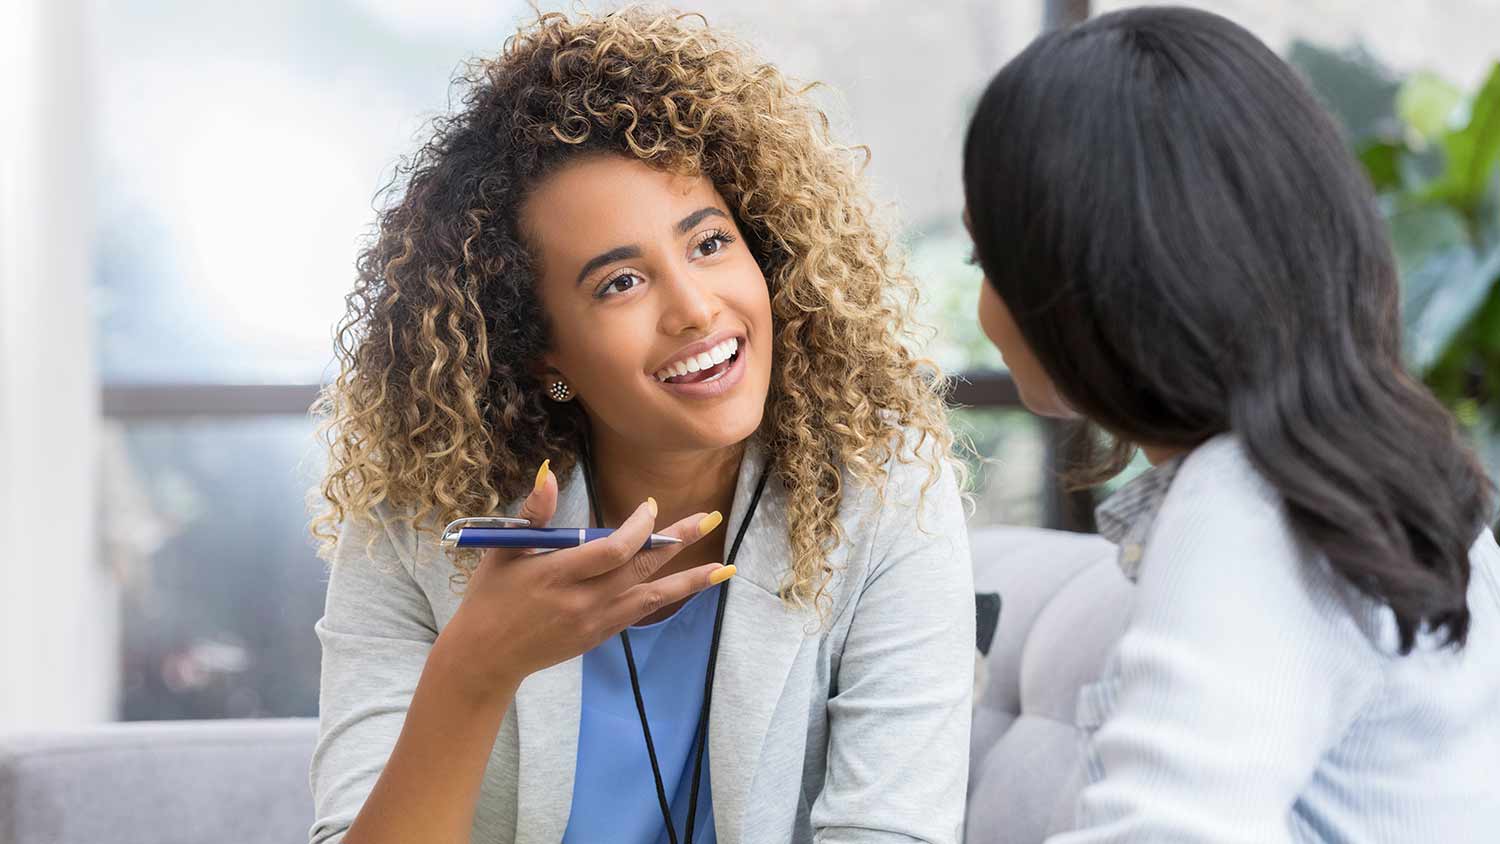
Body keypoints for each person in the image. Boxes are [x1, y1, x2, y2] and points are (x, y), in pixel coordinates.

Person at [308, 9, 974, 844]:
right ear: (538, 349)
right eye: (620, 283)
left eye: (708, 244)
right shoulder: (419, 523)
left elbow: (893, 829)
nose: (696, 309)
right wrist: (474, 672)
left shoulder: (881, 489)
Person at [961, 7, 1500, 842]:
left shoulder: (1251, 507)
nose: (984, 301)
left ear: (1087, 281)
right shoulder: (1371, 465)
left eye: (986, 260)